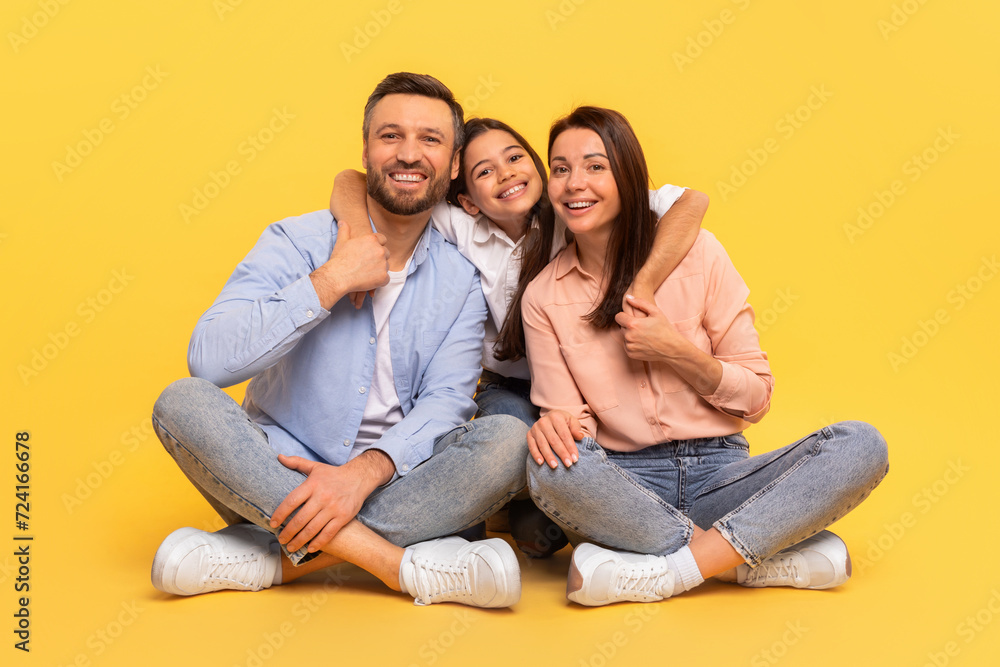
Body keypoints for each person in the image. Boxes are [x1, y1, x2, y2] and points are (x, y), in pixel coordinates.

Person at [149, 72, 529, 609]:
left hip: (399, 476)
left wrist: (360, 474)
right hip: (279, 470)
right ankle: (397, 564)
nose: (408, 154)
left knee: (510, 441)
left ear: (453, 164)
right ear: (367, 150)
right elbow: (207, 360)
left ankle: (269, 559)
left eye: (430, 139)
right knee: (181, 401)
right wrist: (330, 281)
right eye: (390, 135)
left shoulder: (462, 276)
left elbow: (446, 402)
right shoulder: (295, 240)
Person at [521, 106, 889, 606]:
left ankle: (668, 568)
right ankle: (740, 560)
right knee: (546, 467)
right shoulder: (543, 297)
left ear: (628, 176)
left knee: (861, 444)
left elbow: (756, 398)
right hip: (626, 486)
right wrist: (557, 427)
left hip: (723, 474)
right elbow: (573, 427)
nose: (573, 183)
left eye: (594, 166)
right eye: (560, 169)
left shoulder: (701, 254)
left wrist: (676, 351)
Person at [329, 117, 708, 556]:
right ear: (468, 201)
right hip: (510, 386)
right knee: (510, 442)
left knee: (568, 463)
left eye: (514, 158)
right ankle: (494, 515)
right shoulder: (461, 227)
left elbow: (691, 201)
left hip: (582, 383)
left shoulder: (577, 211)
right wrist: (354, 240)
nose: (506, 173)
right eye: (485, 171)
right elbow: (350, 181)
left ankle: (531, 510)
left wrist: (642, 284)